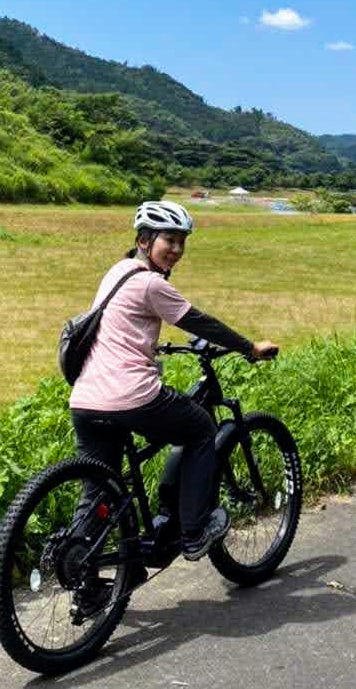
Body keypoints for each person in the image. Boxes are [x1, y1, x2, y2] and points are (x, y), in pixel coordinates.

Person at [69, 201, 278, 573]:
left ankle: (83, 569)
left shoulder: (117, 271)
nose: (177, 249)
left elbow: (122, 326)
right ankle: (195, 531)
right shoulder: (151, 283)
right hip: (130, 395)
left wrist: (152, 346)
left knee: (100, 487)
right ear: (144, 240)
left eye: (182, 242)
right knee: (200, 428)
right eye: (170, 239)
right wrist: (249, 348)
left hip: (86, 398)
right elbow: (200, 323)